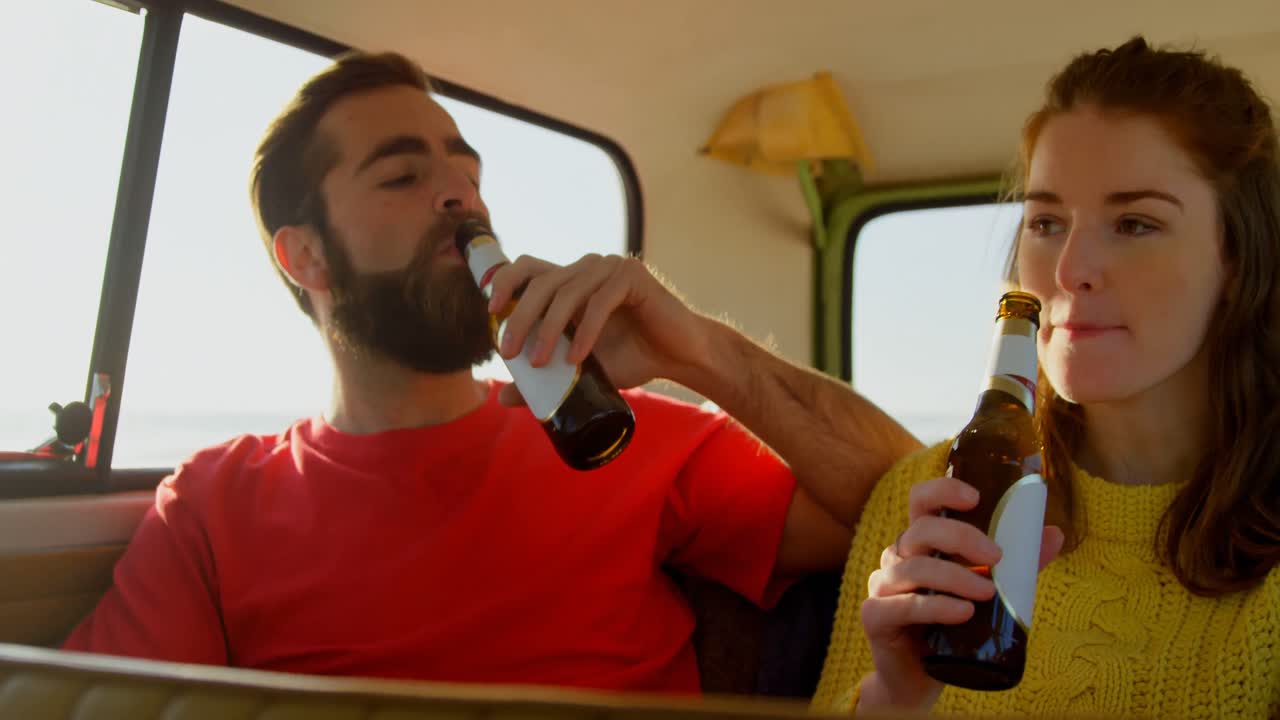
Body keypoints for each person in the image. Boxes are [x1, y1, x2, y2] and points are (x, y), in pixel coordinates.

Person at [61, 51, 921, 694]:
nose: (462, 196)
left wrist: (700, 350)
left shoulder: (620, 432)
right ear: (306, 257)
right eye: (404, 175)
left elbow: (924, 503)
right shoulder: (214, 504)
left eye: (468, 174)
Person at [812, 36, 1280, 718]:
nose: (1069, 270)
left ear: (1238, 259)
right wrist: (893, 697)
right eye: (1046, 222)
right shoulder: (930, 491)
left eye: (1134, 224)